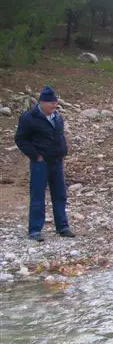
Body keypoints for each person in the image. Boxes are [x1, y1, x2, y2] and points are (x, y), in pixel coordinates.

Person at [14, 85, 75, 242]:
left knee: (60, 194)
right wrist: (35, 155)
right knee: (38, 195)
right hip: (40, 163)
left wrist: (63, 151)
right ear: (42, 102)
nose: (54, 106)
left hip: (57, 161)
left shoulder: (57, 117)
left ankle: (62, 226)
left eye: (55, 103)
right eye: (51, 103)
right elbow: (20, 139)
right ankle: (35, 230)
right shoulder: (29, 117)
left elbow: (59, 136)